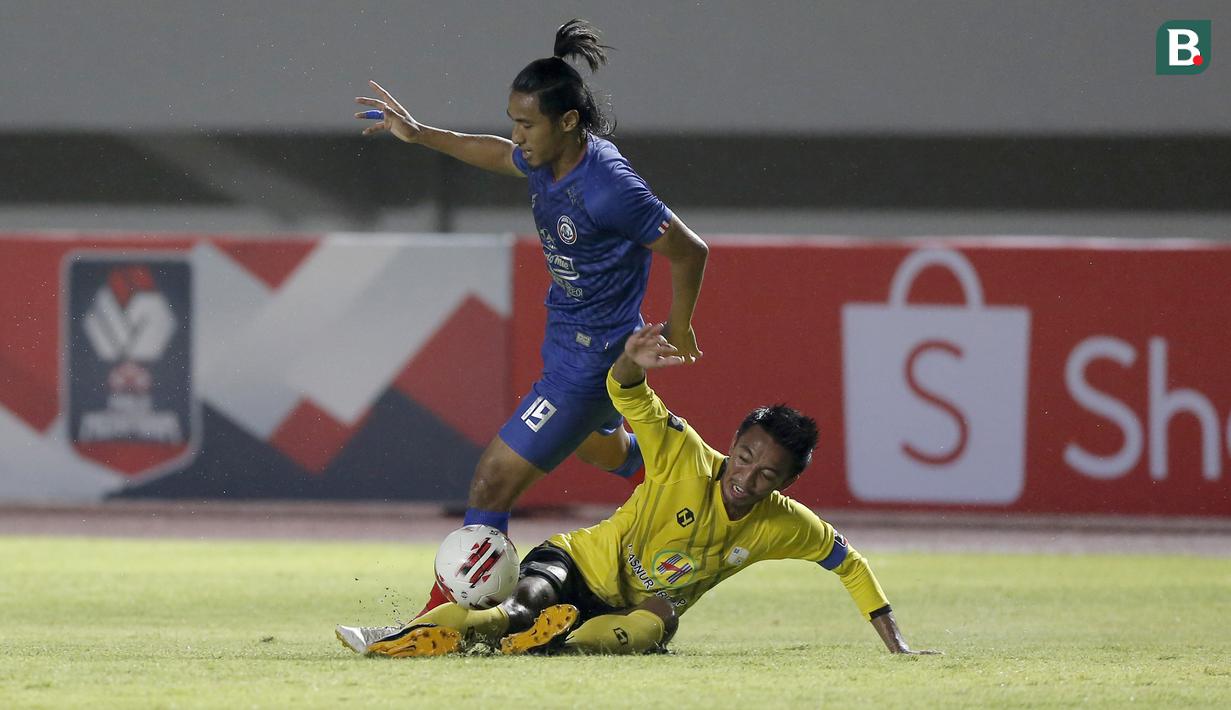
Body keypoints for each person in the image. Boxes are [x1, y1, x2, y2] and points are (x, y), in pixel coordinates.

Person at [354, 19, 709, 616]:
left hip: (592, 363)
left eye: (526, 124)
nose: (515, 136)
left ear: (568, 122)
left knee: (492, 480)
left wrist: (680, 324)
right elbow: (494, 153)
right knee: (599, 451)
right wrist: (418, 134)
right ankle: (676, 489)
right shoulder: (545, 159)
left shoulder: (609, 187)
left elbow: (689, 249)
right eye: (513, 121)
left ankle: (442, 620)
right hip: (568, 341)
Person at [336, 324, 940, 657]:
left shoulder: (784, 525)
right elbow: (630, 397)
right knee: (518, 607)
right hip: (574, 563)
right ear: (733, 443)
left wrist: (897, 643)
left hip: (623, 611)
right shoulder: (683, 454)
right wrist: (630, 362)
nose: (746, 476)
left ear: (787, 483)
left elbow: (850, 565)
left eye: (767, 474)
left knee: (658, 621)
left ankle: (550, 644)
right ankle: (392, 636)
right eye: (745, 456)